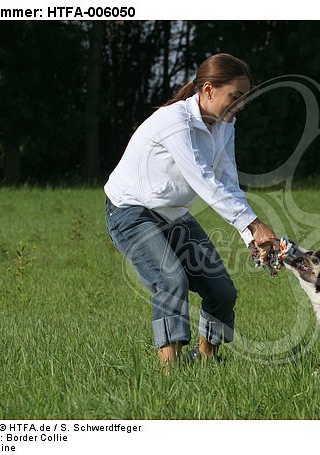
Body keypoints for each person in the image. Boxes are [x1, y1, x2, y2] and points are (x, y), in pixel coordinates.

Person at [104, 53, 277, 373]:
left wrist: (248, 235)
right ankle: (170, 376)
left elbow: (227, 182)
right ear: (209, 89)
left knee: (222, 291)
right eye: (234, 98)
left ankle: (206, 363)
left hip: (172, 213)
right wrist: (254, 224)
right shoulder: (175, 122)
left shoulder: (226, 126)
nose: (238, 107)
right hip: (130, 211)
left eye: (243, 100)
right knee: (171, 280)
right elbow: (204, 180)